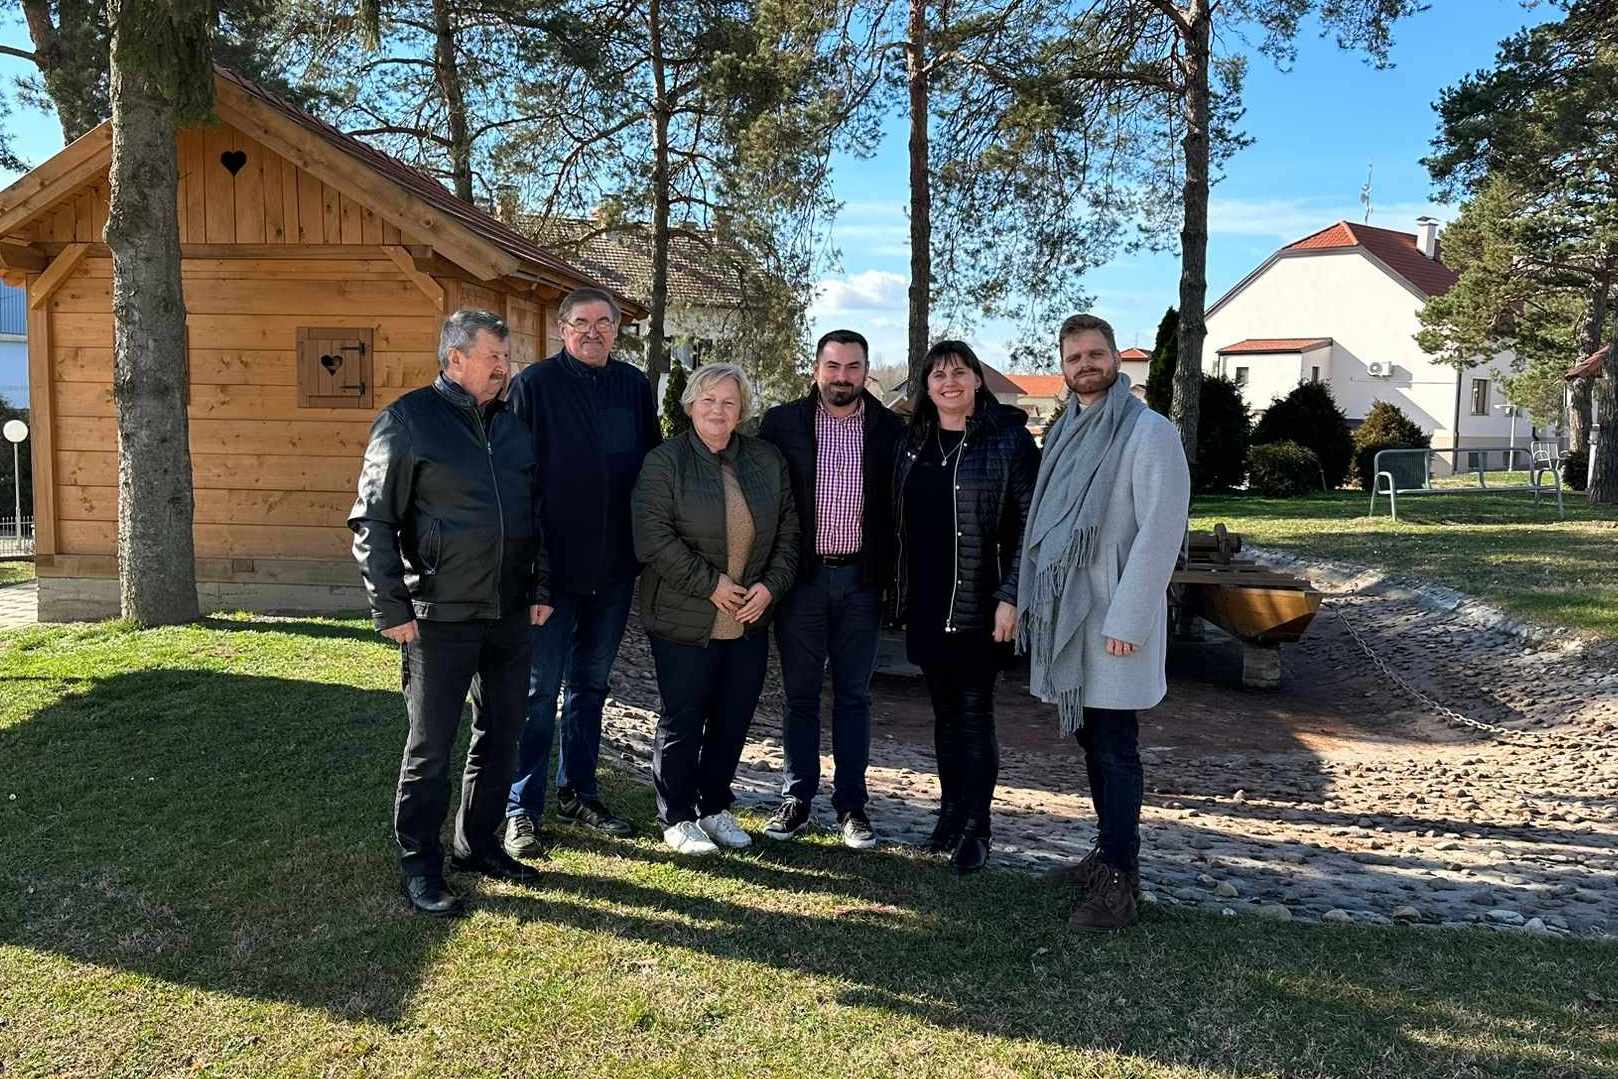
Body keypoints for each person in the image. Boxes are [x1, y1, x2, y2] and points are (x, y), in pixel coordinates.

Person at [350, 308, 554, 917]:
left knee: (502, 734)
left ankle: (478, 844)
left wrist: (541, 588)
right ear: (456, 358)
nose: (504, 368)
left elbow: (535, 517)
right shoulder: (409, 421)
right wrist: (392, 606)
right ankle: (421, 863)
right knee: (431, 746)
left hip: (509, 613)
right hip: (437, 615)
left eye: (507, 358)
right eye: (493, 357)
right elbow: (372, 520)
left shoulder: (513, 429)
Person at [1015, 313, 1190, 932]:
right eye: (1074, 358)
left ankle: (1120, 879)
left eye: (1095, 354)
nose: (1085, 365)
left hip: (1114, 617)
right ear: (1063, 368)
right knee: (1091, 739)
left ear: (1116, 358)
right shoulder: (1065, 432)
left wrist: (1130, 619)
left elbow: (1161, 531)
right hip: (1071, 614)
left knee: (1116, 746)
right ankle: (1105, 854)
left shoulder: (1149, 431)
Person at [502, 287, 661, 855]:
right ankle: (521, 807)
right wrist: (531, 571)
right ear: (562, 328)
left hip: (613, 571)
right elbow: (516, 482)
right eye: (580, 323)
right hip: (551, 574)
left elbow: (649, 474)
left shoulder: (633, 387)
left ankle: (579, 792)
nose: (592, 332)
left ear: (617, 330)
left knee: (590, 688)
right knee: (539, 692)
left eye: (603, 323)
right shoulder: (534, 386)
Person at [631, 363, 799, 855]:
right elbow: (652, 538)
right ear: (690, 405)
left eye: (729, 401)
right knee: (683, 720)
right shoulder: (665, 461)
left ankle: (714, 807)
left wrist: (770, 587)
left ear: (741, 409)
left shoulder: (766, 459)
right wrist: (712, 585)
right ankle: (677, 817)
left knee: (733, 718)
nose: (718, 410)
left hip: (748, 616)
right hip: (685, 614)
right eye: (708, 400)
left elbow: (790, 532)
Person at [893, 341, 1038, 874]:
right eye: (937, 375)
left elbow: (1032, 526)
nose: (948, 382)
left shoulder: (1009, 440)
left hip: (982, 600)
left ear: (978, 380)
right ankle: (950, 816)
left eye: (959, 372)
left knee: (974, 714)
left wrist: (1012, 596)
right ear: (926, 387)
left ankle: (978, 827)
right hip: (928, 599)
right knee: (944, 714)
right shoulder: (914, 441)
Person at [757, 329, 905, 848]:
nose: (842, 376)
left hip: (862, 582)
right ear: (816, 369)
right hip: (802, 580)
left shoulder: (891, 430)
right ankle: (797, 798)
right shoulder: (781, 424)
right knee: (799, 694)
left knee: (854, 696)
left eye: (853, 367)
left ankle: (852, 806)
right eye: (833, 366)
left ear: (867, 372)